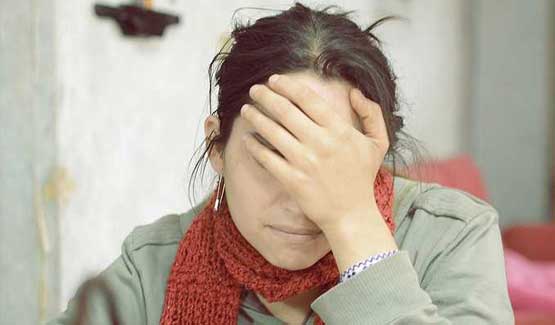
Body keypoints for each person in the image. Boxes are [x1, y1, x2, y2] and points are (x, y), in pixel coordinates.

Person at [48, 2, 515, 324]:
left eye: (328, 158)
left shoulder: (453, 236)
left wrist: (354, 224)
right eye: (274, 156)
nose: (300, 199)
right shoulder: (153, 266)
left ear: (375, 151)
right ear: (217, 147)